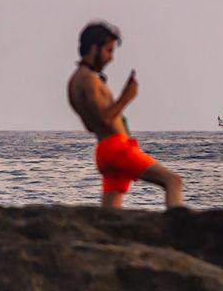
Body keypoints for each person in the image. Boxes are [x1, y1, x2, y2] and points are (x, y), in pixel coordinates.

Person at [67, 20, 183, 208]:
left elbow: (91, 125)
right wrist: (127, 97)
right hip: (116, 148)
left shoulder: (75, 81)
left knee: (112, 212)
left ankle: (106, 238)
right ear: (94, 48)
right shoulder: (87, 79)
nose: (111, 58)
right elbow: (103, 119)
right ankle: (181, 233)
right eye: (109, 50)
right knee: (173, 181)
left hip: (105, 150)